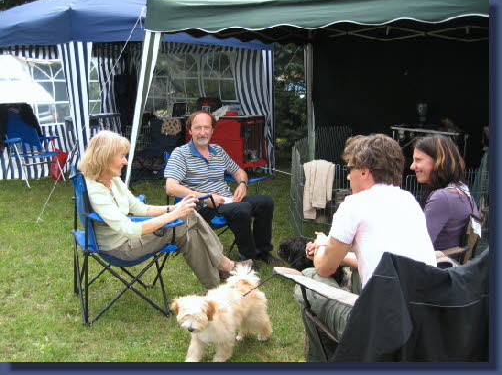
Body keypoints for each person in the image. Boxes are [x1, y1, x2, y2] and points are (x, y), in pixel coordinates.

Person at [294, 133, 437, 362]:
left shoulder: (354, 204)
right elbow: (382, 262)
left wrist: (322, 247)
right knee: (357, 277)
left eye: (349, 168)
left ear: (364, 171)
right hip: (424, 323)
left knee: (308, 278)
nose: (348, 176)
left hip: (383, 332)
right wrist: (333, 249)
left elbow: (324, 269)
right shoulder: (409, 201)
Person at [79, 130, 251, 291]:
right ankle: (223, 273)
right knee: (182, 226)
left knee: (188, 214)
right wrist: (173, 215)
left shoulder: (113, 179)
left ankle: (221, 274)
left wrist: (174, 208)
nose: (125, 161)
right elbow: (130, 230)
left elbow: (139, 208)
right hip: (120, 248)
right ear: (105, 158)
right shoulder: (96, 191)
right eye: (121, 156)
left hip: (129, 238)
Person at [164, 111, 284, 266]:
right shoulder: (181, 154)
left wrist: (242, 184)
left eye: (206, 128)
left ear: (212, 130)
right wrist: (204, 197)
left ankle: (262, 251)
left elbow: (239, 172)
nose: (202, 132)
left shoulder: (218, 151)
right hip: (202, 206)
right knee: (241, 208)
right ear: (190, 130)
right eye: (198, 128)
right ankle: (247, 256)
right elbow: (171, 188)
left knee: (265, 201)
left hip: (227, 200)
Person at [410, 134, 480, 251]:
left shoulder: (443, 198)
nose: (412, 166)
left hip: (438, 266)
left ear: (439, 161)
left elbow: (417, 248)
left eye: (418, 160)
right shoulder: (462, 190)